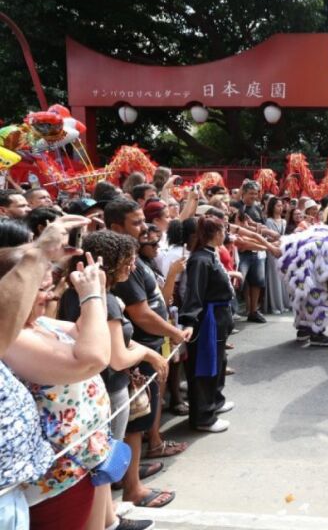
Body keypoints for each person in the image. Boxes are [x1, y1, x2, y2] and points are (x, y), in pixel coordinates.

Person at [59, 231, 164, 529]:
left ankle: (110, 519)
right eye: (128, 261)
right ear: (113, 263)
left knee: (99, 464)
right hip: (109, 389)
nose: (131, 268)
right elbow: (117, 357)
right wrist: (146, 353)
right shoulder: (105, 301)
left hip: (90, 387)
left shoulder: (73, 293)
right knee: (101, 467)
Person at [2, 251, 111, 530]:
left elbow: (87, 333)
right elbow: (91, 359)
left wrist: (96, 289)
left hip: (84, 461)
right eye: (42, 289)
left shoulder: (38, 324)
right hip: (57, 478)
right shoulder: (12, 338)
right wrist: (91, 298)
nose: (51, 297)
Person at [106, 198, 190, 508]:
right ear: (116, 228)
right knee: (131, 425)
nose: (146, 230)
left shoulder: (136, 259)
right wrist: (173, 333)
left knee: (140, 420)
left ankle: (132, 475)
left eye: (145, 221)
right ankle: (131, 487)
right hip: (135, 356)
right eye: (137, 223)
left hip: (148, 349)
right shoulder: (119, 265)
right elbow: (140, 315)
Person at [179, 216, 236, 433]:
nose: (225, 234)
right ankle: (203, 416)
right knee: (206, 368)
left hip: (220, 316)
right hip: (209, 319)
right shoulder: (200, 259)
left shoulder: (210, 255)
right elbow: (195, 293)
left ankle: (215, 402)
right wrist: (190, 320)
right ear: (214, 233)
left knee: (219, 362)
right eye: (223, 229)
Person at [232, 180, 267, 323]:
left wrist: (256, 228)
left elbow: (262, 226)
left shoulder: (257, 208)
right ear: (243, 193)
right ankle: (231, 312)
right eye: (251, 193)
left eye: (256, 193)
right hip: (241, 250)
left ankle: (253, 311)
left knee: (257, 281)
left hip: (256, 250)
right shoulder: (237, 207)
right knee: (237, 282)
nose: (254, 196)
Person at [262, 197, 289, 314]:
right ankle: (275, 306)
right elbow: (269, 238)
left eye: (281, 205)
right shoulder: (268, 221)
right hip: (272, 251)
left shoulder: (284, 221)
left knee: (283, 277)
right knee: (274, 278)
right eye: (278, 205)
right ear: (272, 207)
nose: (281, 207)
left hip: (282, 250)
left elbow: (283, 236)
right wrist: (277, 241)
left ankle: (283, 303)